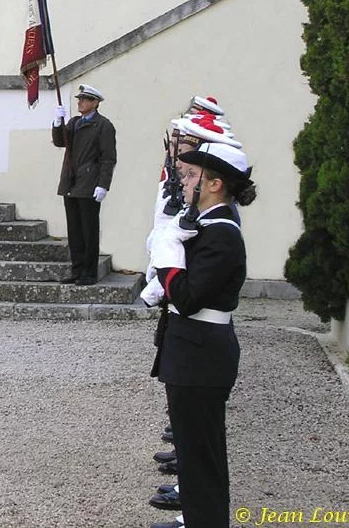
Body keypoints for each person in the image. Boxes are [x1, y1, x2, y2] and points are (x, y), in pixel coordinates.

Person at [145, 142, 257, 528]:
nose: (185, 180)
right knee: (194, 451)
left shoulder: (222, 234)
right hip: (191, 351)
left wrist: (167, 259)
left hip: (200, 356)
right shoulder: (207, 226)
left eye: (193, 176)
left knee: (200, 454)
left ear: (214, 184)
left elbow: (188, 298)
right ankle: (195, 518)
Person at [51, 83, 117, 285]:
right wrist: (57, 122)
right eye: (79, 99)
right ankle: (77, 270)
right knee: (75, 229)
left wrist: (103, 184)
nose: (80, 102)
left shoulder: (104, 125)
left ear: (95, 103)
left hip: (89, 182)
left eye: (85, 99)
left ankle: (89, 272)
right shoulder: (74, 122)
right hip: (71, 181)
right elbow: (61, 142)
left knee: (89, 229)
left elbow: (108, 158)